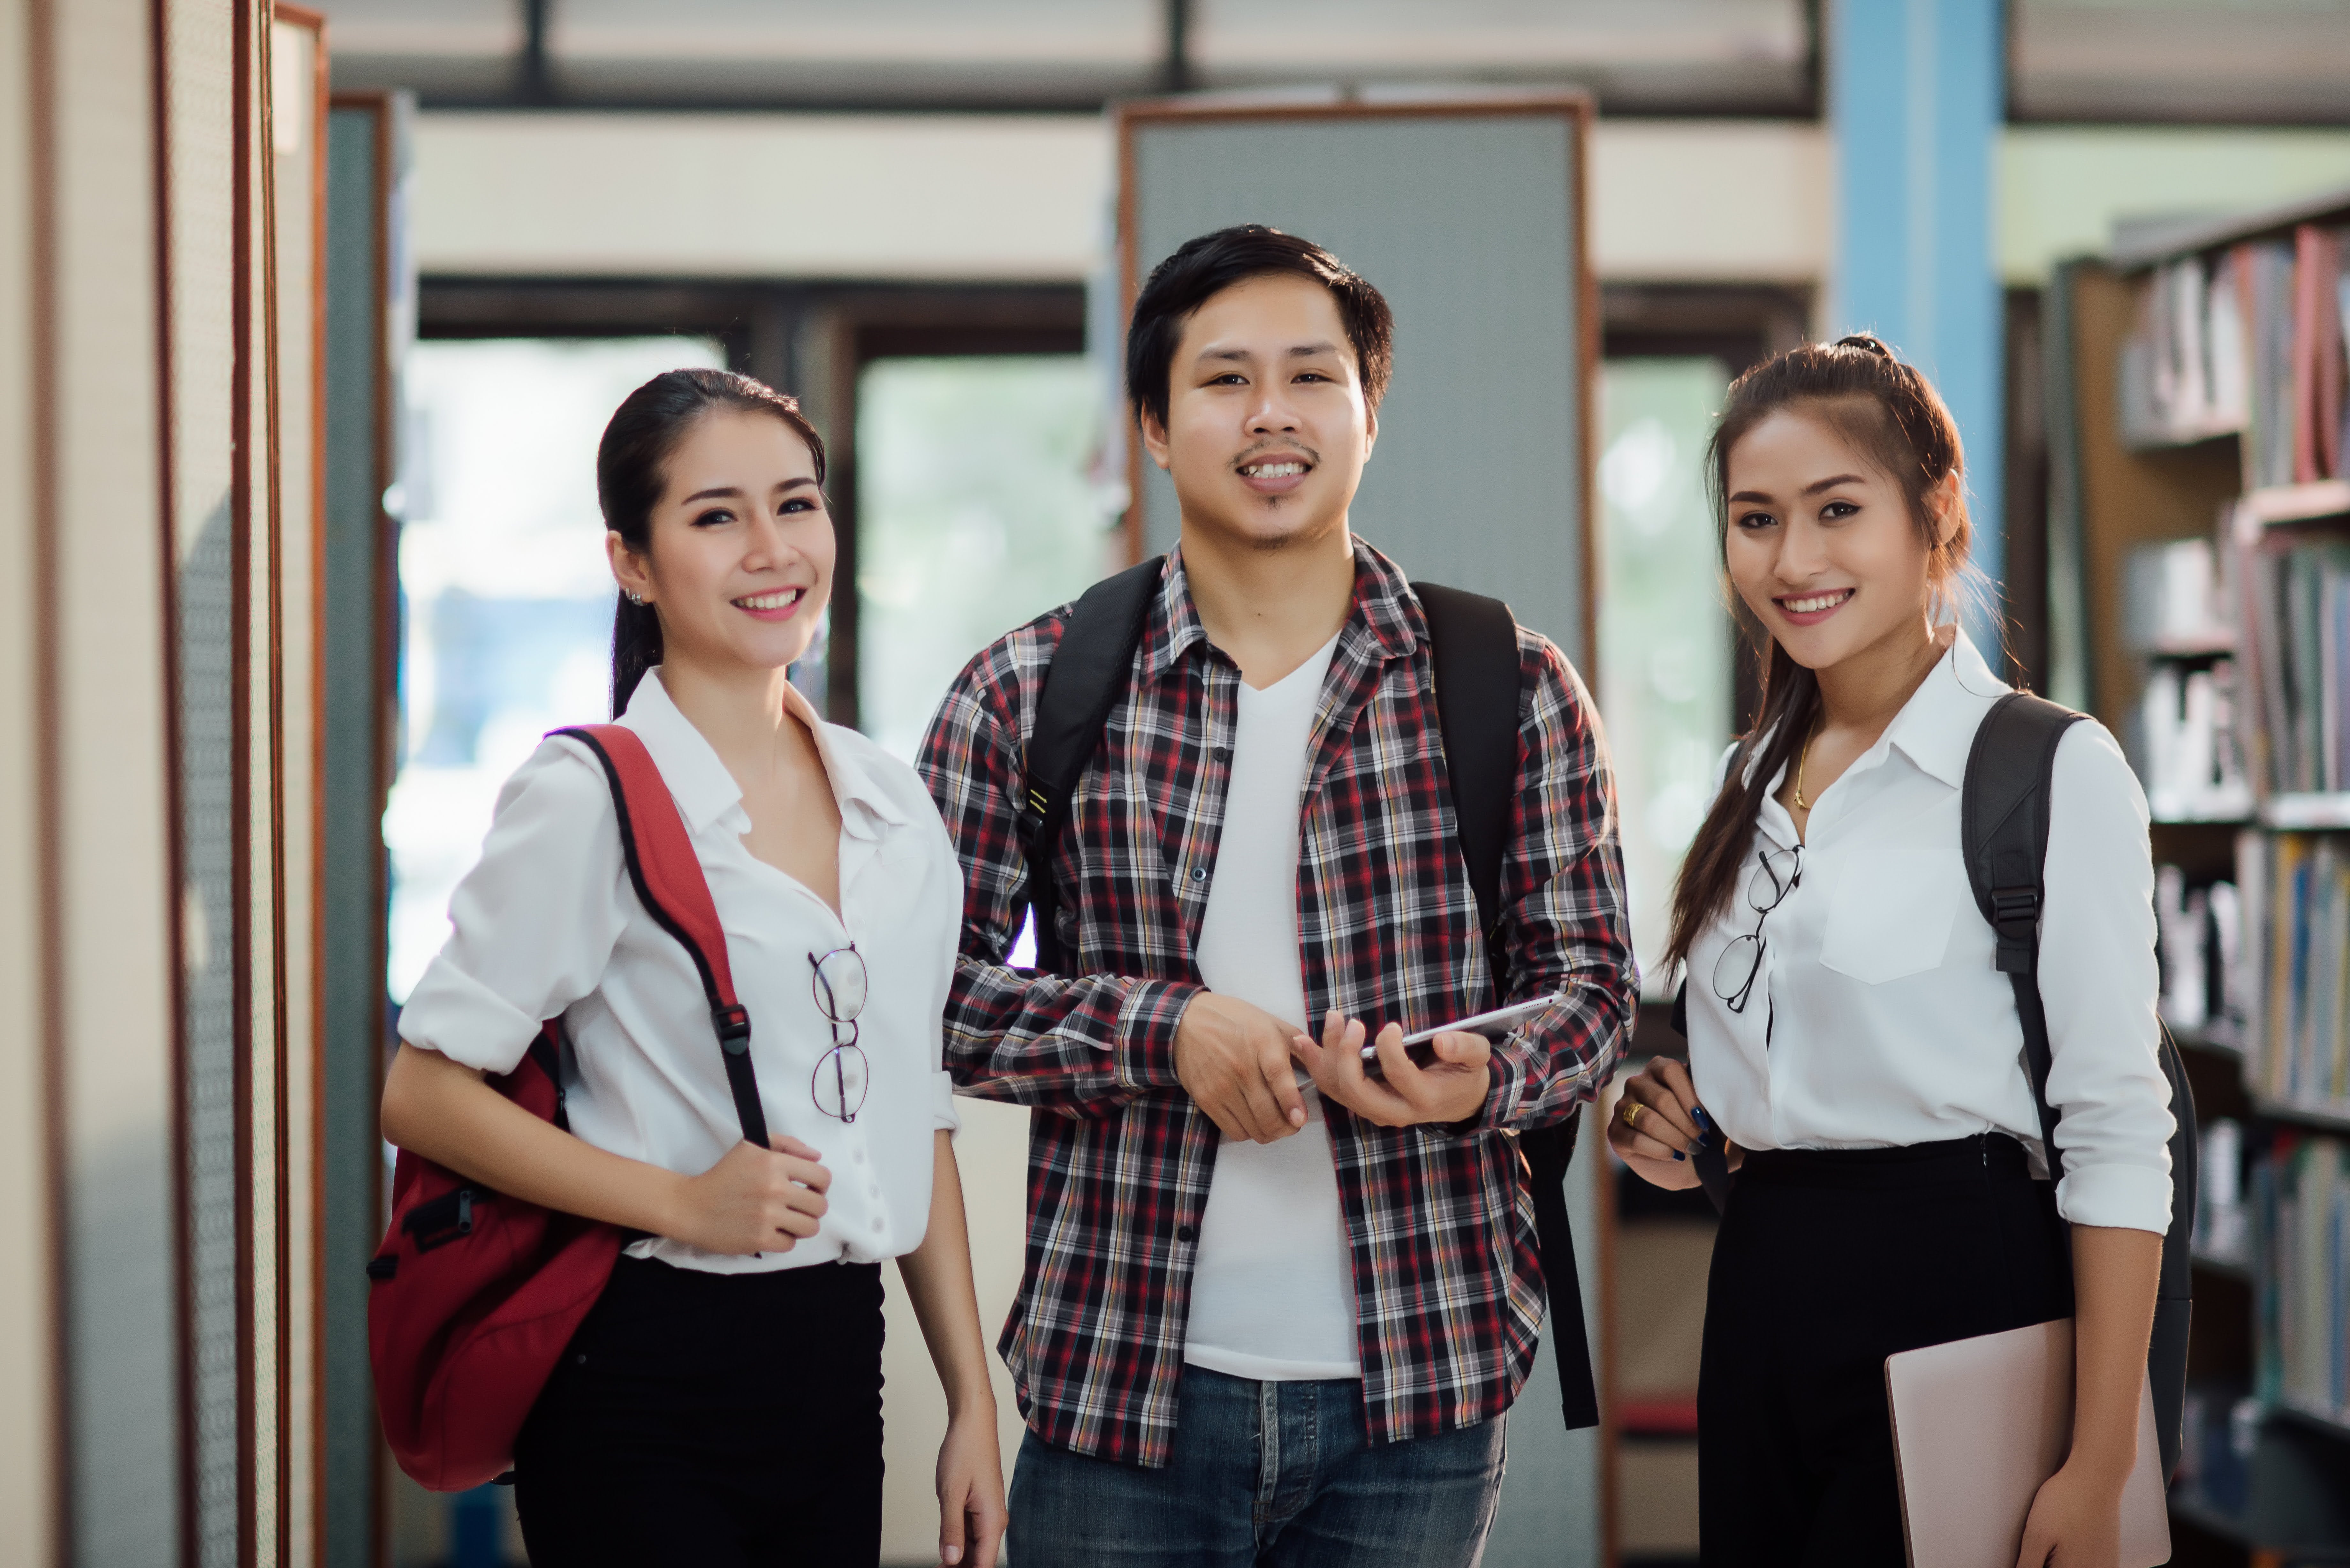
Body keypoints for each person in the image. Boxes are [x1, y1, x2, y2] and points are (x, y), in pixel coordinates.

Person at [916, 225, 1636, 1566]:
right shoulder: (1026, 689)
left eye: (1312, 376)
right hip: (1117, 1386)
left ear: (1371, 413)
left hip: (1419, 1387)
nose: (1270, 415)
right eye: (1223, 379)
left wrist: (1480, 1069)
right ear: (1152, 421)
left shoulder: (1506, 683)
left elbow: (1596, 991)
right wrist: (1162, 1031)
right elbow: (925, 1005)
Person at [380, 369, 1007, 1568]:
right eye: (717, 516)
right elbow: (424, 1091)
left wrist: (970, 1400)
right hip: (636, 1364)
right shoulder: (590, 797)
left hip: (836, 1357)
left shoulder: (888, 799)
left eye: (798, 503)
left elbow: (912, 1114)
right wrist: (681, 1202)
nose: (773, 549)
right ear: (632, 561)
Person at [1607, 336, 2173, 1566]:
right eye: (1757, 519)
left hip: (1963, 1297)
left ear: (1939, 518)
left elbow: (2119, 1128)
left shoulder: (2050, 770)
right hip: (1759, 1294)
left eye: (1838, 511)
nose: (1793, 560)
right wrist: (1675, 1123)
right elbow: (1778, 1076)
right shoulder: (1738, 779)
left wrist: (2103, 1458)